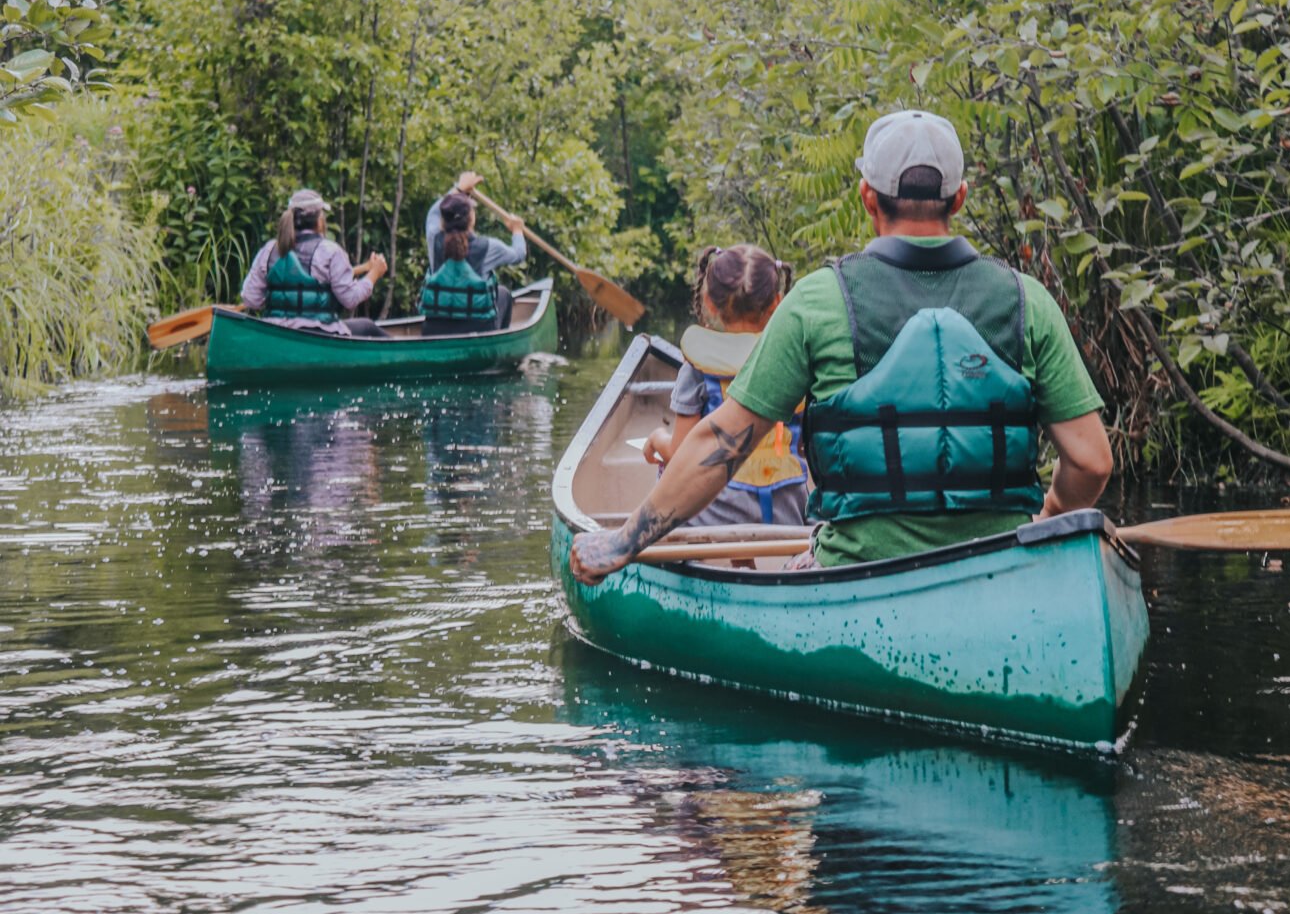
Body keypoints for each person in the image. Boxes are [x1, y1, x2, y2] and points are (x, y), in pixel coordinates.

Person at [571, 110, 1113, 583]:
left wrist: (623, 542)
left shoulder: (817, 302)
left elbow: (720, 447)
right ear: (960, 198)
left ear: (867, 198)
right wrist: (1052, 516)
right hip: (1001, 562)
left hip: (858, 570)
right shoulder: (1028, 300)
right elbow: (1090, 461)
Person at [642, 245, 804, 529]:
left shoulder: (697, 368)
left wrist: (657, 438)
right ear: (777, 302)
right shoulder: (794, 361)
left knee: (669, 471)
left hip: (716, 516)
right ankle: (746, 562)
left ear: (709, 302)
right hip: (788, 513)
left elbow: (681, 454)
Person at [240, 188, 388, 335]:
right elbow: (350, 299)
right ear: (319, 220)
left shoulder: (269, 250)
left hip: (274, 332)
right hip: (319, 333)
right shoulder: (330, 251)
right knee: (368, 326)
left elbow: (251, 299)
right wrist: (374, 274)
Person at [424, 170, 527, 327]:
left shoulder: (433, 237)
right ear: (471, 218)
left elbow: (434, 211)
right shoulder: (489, 247)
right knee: (503, 294)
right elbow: (519, 255)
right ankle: (498, 344)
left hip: (435, 329)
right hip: (477, 330)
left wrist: (459, 189)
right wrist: (517, 230)